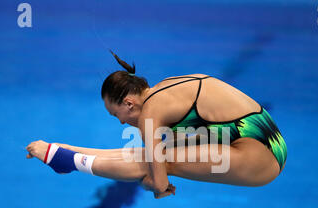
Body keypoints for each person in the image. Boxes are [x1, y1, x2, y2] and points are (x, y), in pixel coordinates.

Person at [26, 51, 287, 199]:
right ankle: (62, 153)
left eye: (116, 114)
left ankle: (68, 161)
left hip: (259, 160)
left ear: (129, 103)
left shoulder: (152, 110)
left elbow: (159, 183)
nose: (120, 122)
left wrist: (155, 184)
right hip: (270, 144)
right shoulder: (164, 89)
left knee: (153, 162)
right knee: (152, 157)